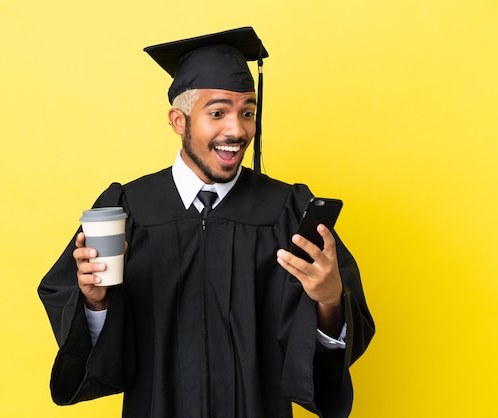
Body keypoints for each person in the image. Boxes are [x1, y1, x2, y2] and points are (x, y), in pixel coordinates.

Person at [38, 27, 374, 418]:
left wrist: (331, 301)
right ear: (178, 121)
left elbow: (318, 351)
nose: (237, 130)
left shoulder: (286, 210)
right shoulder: (129, 208)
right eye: (218, 113)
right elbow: (92, 338)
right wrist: (95, 302)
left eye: (248, 112)